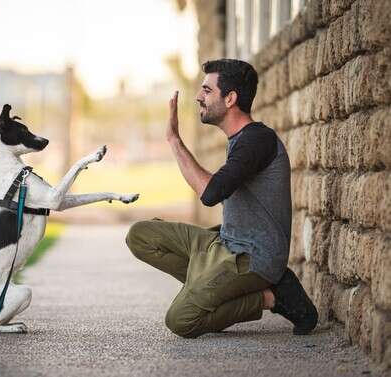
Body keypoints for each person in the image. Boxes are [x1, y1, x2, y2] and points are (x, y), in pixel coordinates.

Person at [125, 59, 318, 338]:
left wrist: (174, 141)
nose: (198, 97)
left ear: (230, 99)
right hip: (225, 243)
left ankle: (272, 296)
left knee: (181, 320)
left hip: (253, 258)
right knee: (140, 235)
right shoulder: (239, 139)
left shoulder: (257, 141)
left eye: (206, 90)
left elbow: (211, 193)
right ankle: (208, 288)